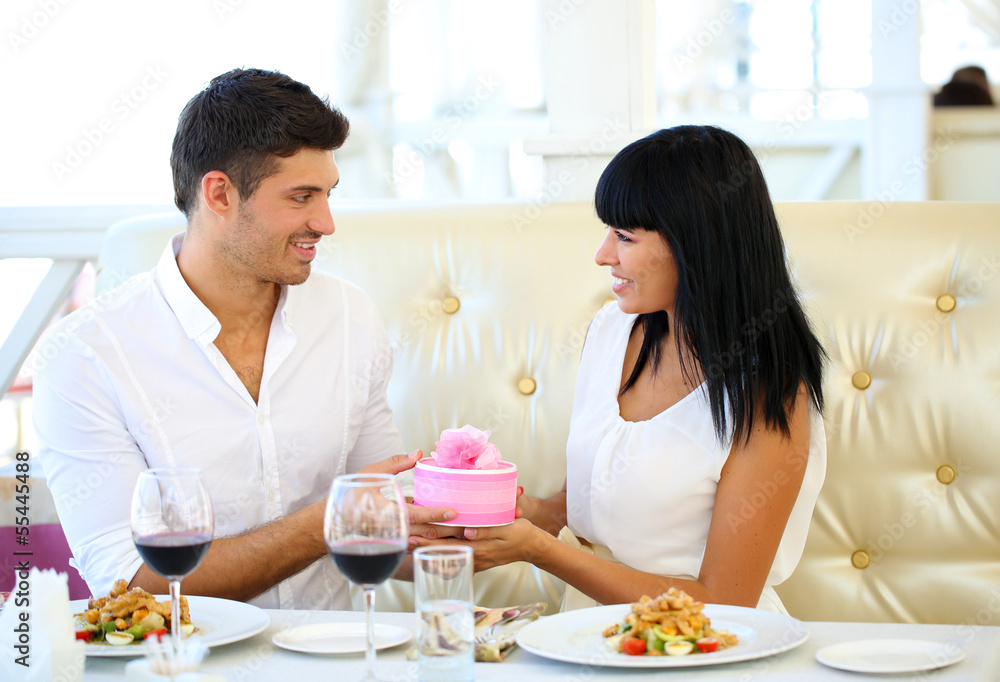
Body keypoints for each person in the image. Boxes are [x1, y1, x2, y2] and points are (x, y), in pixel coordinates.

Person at [33, 69, 453, 610]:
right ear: (220, 194)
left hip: (335, 658)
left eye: (328, 195)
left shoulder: (349, 316)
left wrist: (496, 524)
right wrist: (321, 523)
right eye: (301, 197)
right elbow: (131, 582)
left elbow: (383, 526)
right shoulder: (85, 356)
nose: (325, 223)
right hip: (183, 664)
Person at [414, 125, 827, 614]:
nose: (602, 254)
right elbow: (591, 501)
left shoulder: (768, 391)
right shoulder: (613, 330)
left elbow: (723, 602)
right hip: (587, 634)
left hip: (700, 647)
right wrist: (507, 509)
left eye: (624, 236)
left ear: (696, 243)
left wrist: (538, 550)